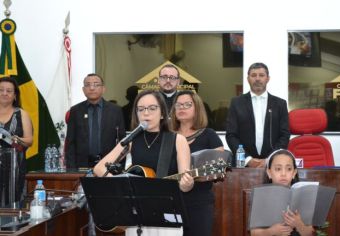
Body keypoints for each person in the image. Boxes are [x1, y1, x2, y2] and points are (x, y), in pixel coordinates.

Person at [94, 90, 194, 236]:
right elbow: (99, 168)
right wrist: (122, 184)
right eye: (141, 109)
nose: (146, 113)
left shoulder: (177, 140)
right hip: (137, 214)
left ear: (162, 113)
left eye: (152, 108)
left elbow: (184, 184)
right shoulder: (132, 140)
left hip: (166, 215)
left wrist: (187, 184)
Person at [171, 90, 224, 236]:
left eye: (187, 104)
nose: (181, 108)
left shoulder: (209, 135)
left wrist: (197, 177)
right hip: (169, 201)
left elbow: (220, 167)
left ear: (197, 108)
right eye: (178, 105)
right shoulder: (166, 136)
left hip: (199, 202)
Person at [225, 62, 290, 167]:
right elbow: (231, 135)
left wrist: (269, 160)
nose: (257, 79)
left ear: (268, 78)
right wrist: (247, 159)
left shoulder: (280, 104)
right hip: (243, 165)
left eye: (261, 75)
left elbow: (284, 135)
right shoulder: (236, 103)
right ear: (248, 79)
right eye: (253, 75)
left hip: (273, 164)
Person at [65, 73, 126, 169]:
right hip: (81, 165)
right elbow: (70, 143)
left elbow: (122, 141)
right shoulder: (75, 111)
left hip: (108, 164)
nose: (92, 88)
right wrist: (71, 169)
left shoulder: (115, 110)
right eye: (88, 85)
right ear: (83, 90)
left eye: (96, 84)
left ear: (103, 89)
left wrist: (119, 166)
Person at [251, 149, 314, 236]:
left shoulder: (302, 197)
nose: (283, 173)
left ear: (294, 173)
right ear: (269, 173)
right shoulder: (261, 197)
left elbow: (309, 233)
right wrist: (271, 231)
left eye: (288, 169)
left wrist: (299, 225)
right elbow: (254, 233)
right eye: (278, 169)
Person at [0, 77, 33, 206]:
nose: (4, 93)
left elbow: (29, 140)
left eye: (9, 91)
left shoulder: (21, 114)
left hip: (14, 168)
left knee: (12, 205)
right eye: (1, 90)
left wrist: (16, 139)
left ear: (15, 95)